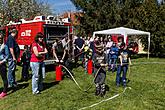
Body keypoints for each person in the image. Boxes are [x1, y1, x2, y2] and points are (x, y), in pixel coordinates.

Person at [0, 34, 9, 98]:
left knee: (4, 78)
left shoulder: (5, 46)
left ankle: (5, 92)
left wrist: (2, 61)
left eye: (0, 38)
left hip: (2, 64)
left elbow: (7, 56)